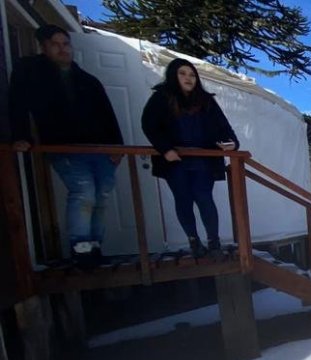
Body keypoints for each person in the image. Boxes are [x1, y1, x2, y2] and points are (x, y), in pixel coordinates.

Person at [9, 24, 124, 267]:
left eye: (65, 44)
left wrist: (117, 146)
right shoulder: (31, 72)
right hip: (64, 146)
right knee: (84, 192)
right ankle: (80, 247)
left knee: (101, 194)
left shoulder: (87, 80)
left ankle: (94, 247)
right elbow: (16, 105)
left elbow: (107, 114)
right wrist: (21, 136)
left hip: (99, 148)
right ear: (44, 47)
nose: (62, 49)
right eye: (56, 44)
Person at [141, 58, 238, 259]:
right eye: (183, 73)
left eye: (192, 74)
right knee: (183, 199)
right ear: (173, 76)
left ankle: (214, 242)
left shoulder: (205, 101)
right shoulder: (162, 98)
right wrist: (165, 149)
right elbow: (149, 125)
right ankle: (194, 241)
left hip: (202, 160)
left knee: (204, 198)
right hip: (175, 161)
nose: (188, 78)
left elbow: (224, 127)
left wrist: (232, 144)